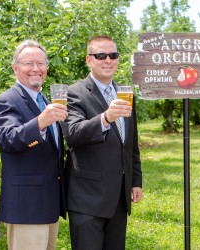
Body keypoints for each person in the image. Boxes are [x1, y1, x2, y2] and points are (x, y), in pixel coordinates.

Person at [62, 35, 142, 249]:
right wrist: (106, 118)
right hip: (87, 198)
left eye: (113, 55)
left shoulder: (125, 93)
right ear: (89, 60)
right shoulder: (74, 93)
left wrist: (135, 180)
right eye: (100, 55)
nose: (108, 60)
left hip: (118, 198)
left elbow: (130, 144)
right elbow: (72, 133)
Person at [0, 40, 67, 249]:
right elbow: (7, 140)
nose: (36, 69)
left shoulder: (43, 99)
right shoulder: (7, 100)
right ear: (15, 68)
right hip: (27, 204)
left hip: (48, 201)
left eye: (40, 63)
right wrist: (41, 121)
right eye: (28, 63)